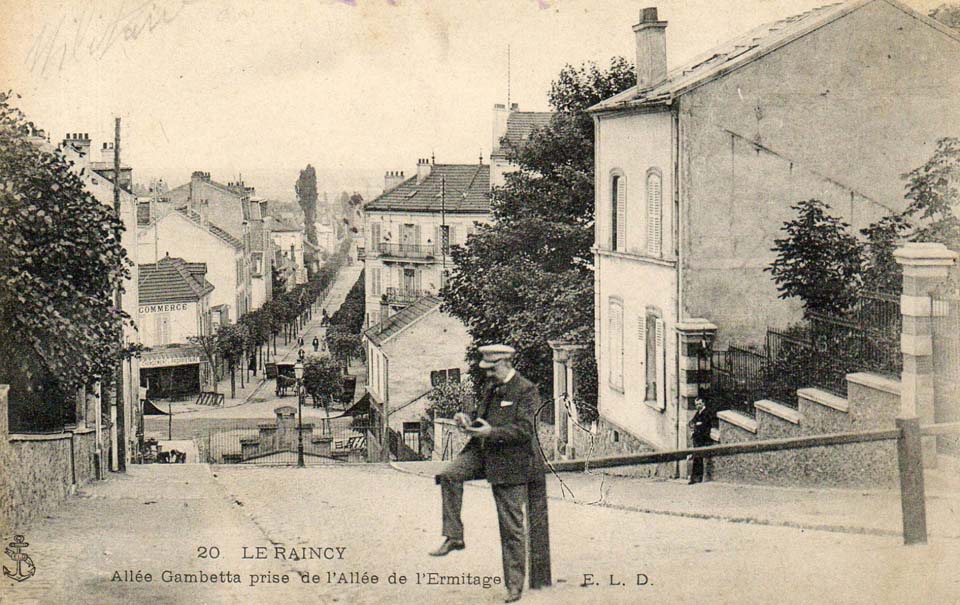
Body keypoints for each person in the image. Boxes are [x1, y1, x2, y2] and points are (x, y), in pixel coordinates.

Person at [429, 344, 550, 603]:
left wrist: (490, 433)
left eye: (492, 369)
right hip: (482, 453)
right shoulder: (492, 387)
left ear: (505, 364)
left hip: (511, 463)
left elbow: (524, 431)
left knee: (511, 528)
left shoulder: (526, 390)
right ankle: (454, 536)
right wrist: (466, 420)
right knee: (450, 475)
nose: (488, 374)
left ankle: (514, 586)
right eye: (486, 369)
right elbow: (481, 417)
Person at [688, 397, 713, 484]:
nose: (698, 406)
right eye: (696, 404)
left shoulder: (706, 413)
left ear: (703, 403)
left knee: (699, 458)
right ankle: (695, 478)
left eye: (699, 404)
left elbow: (705, 425)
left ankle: (698, 477)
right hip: (697, 438)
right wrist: (695, 425)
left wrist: (698, 426)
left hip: (703, 438)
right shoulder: (698, 413)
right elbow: (691, 422)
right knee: (696, 458)